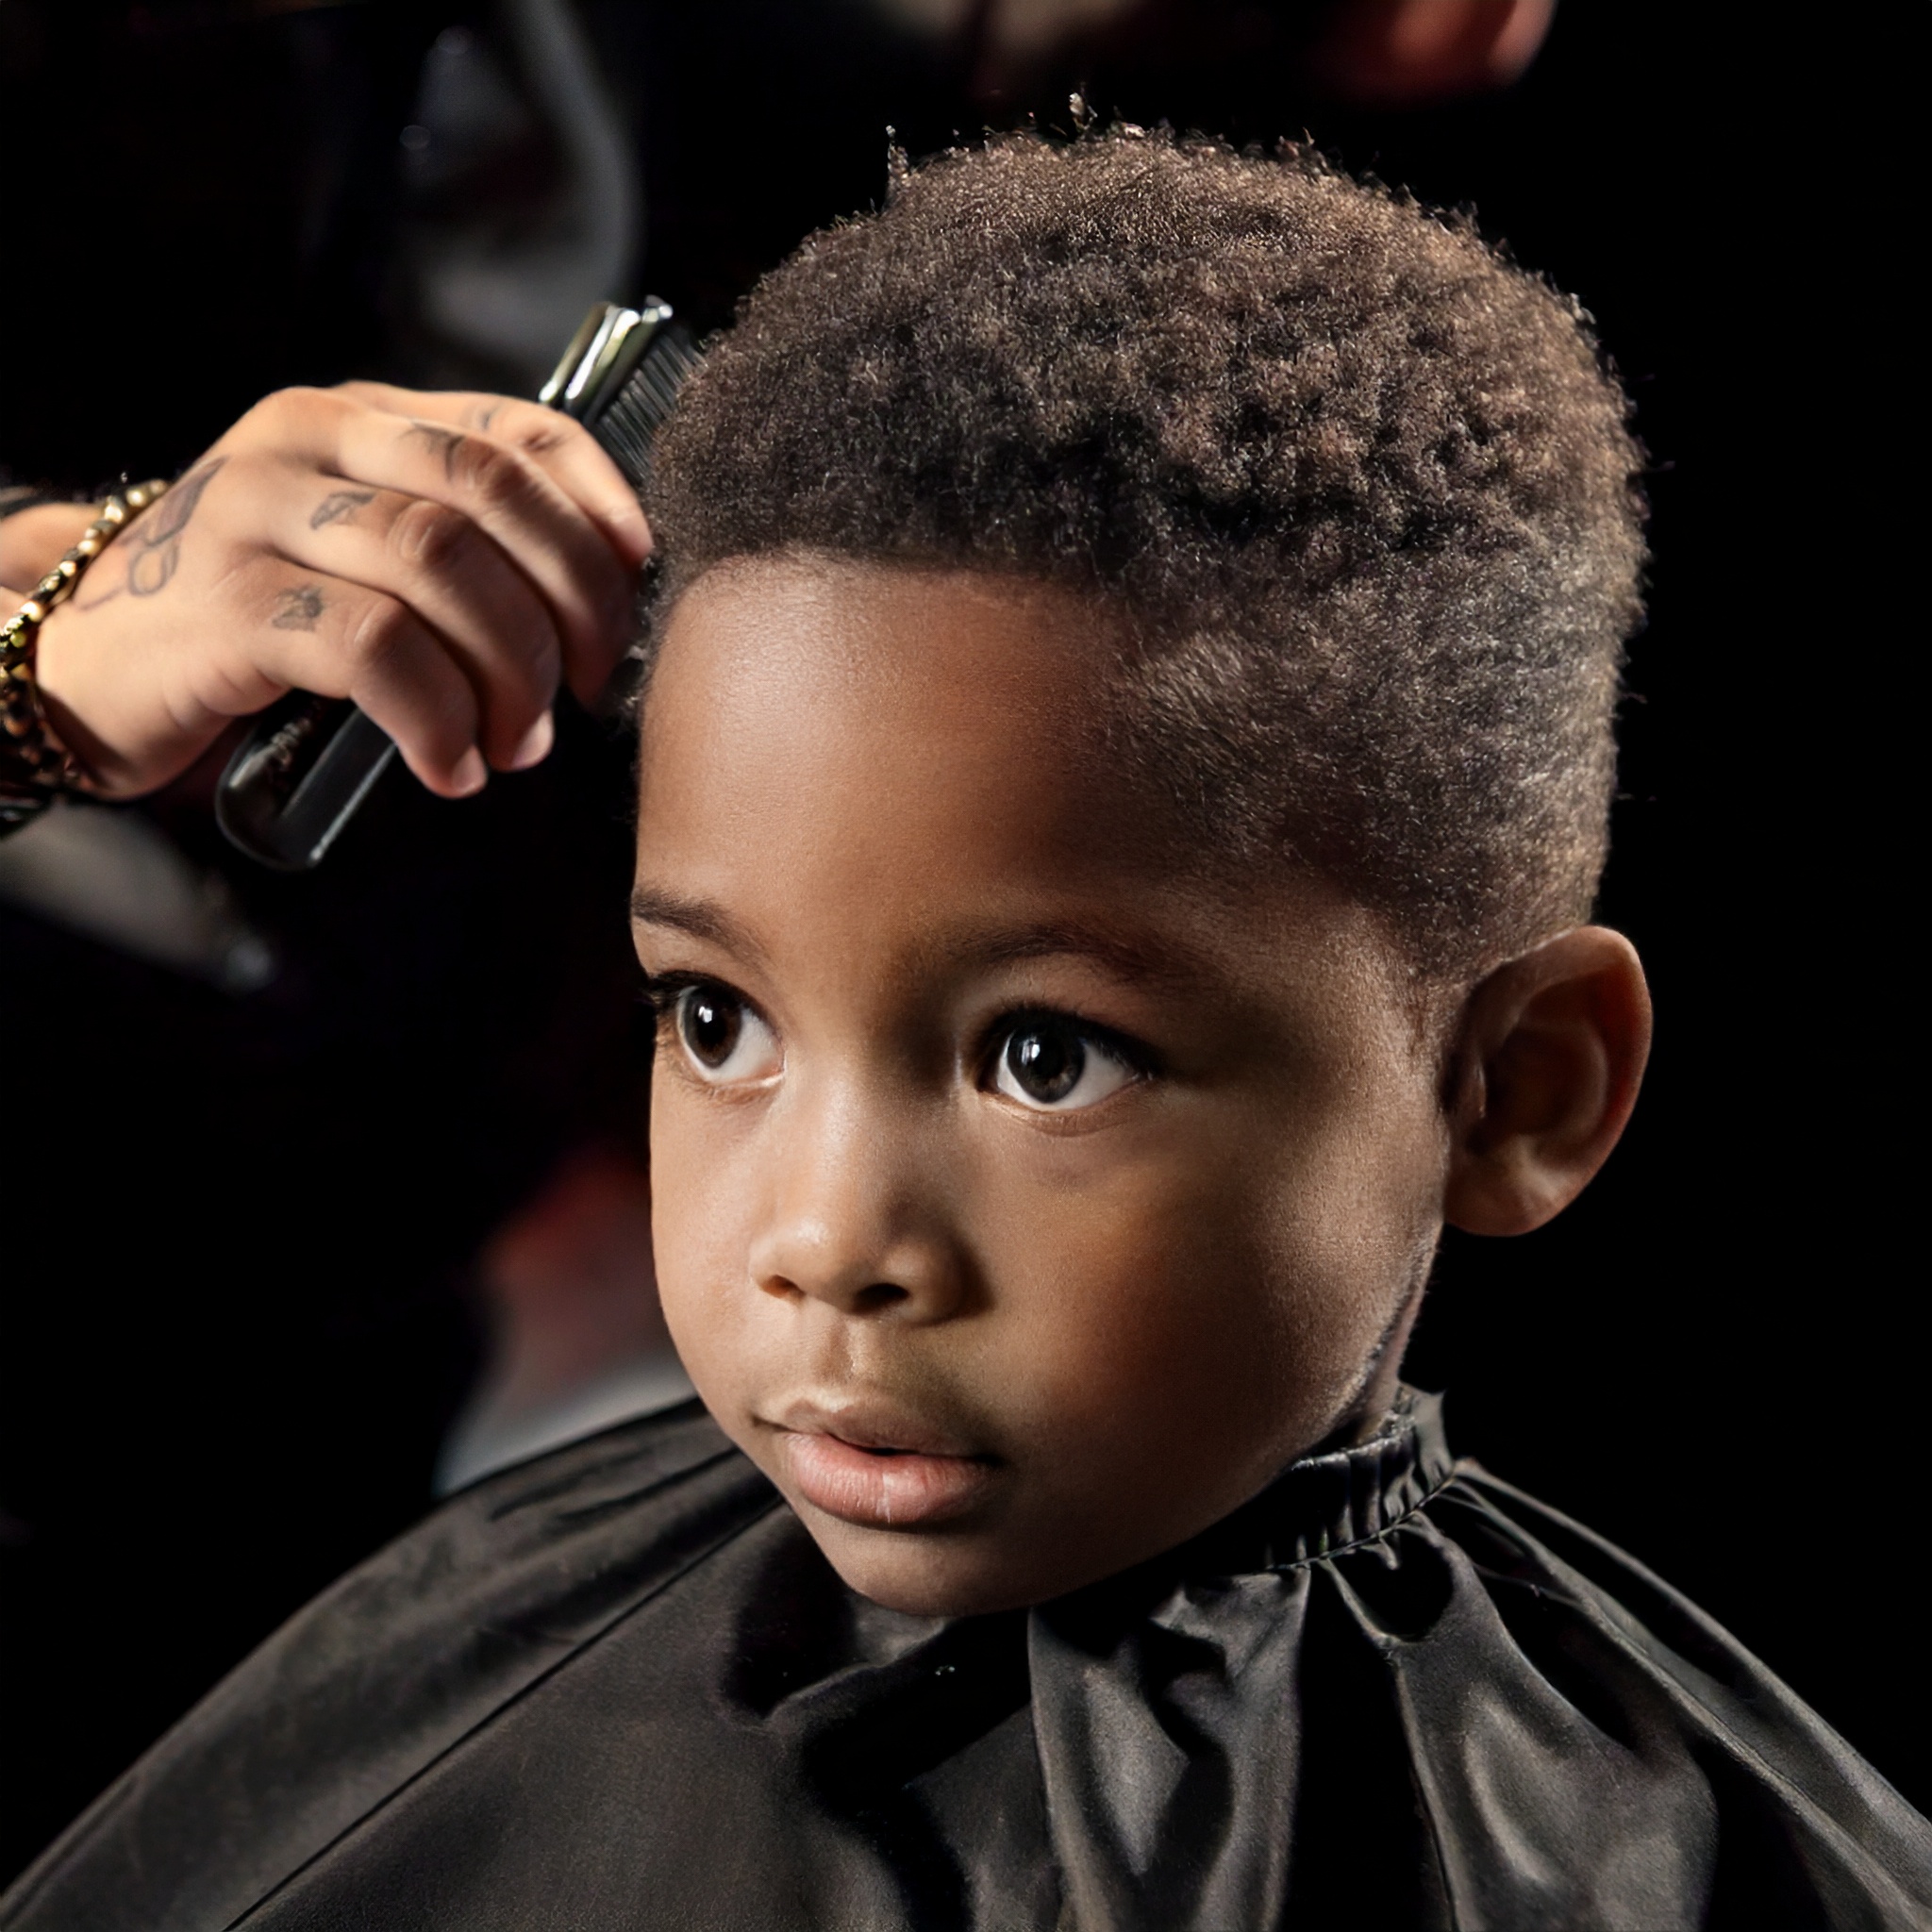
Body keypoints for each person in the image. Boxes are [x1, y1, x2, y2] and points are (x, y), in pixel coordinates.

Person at [6, 127, 1928, 1928]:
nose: (825, 1241)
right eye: (717, 1018)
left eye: (1044, 1058)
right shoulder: (458, 1665)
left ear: (1522, 1088)